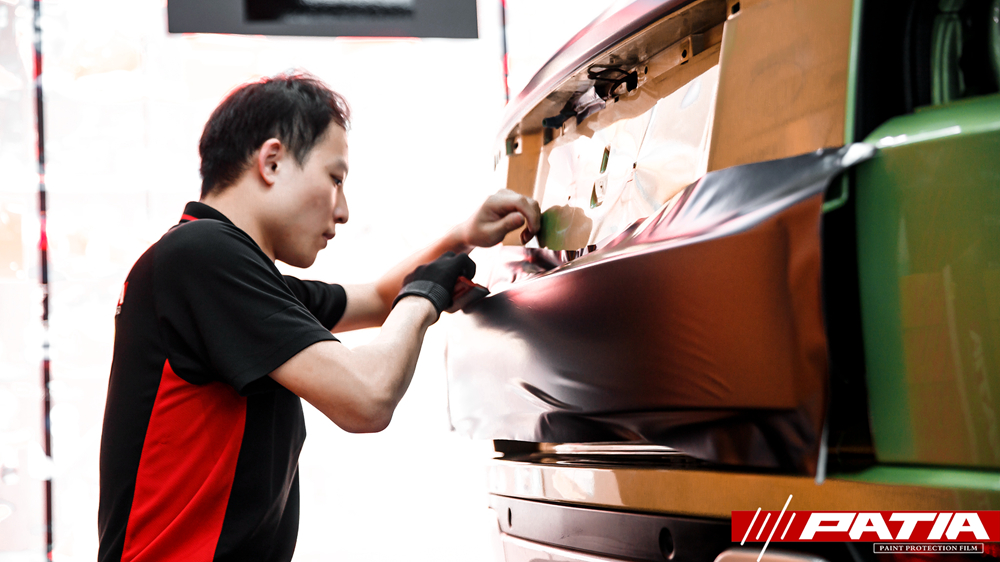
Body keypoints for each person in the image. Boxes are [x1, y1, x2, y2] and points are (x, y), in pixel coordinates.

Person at [97, 71, 541, 562]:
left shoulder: (227, 269)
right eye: (335, 179)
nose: (343, 210)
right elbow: (367, 398)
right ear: (272, 162)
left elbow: (377, 299)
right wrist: (425, 296)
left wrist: (464, 236)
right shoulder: (201, 256)